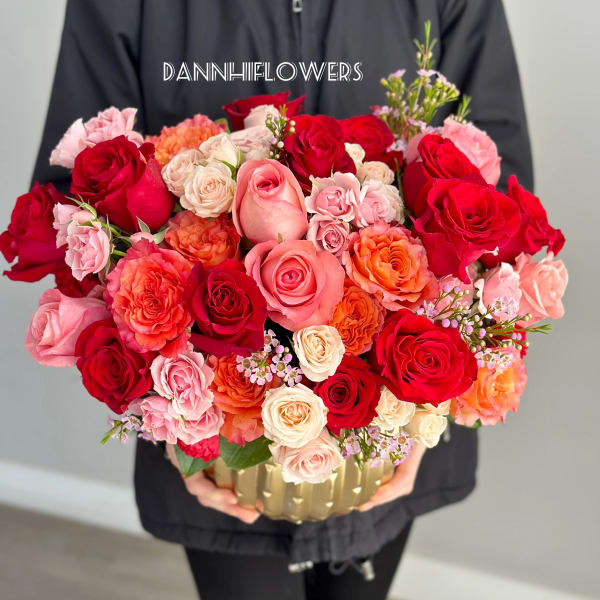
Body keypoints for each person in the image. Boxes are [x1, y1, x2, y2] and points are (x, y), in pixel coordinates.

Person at [32, 1, 533, 599]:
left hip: (388, 433)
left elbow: (500, 188)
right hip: (216, 448)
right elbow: (74, 196)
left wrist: (423, 413)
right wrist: (180, 423)